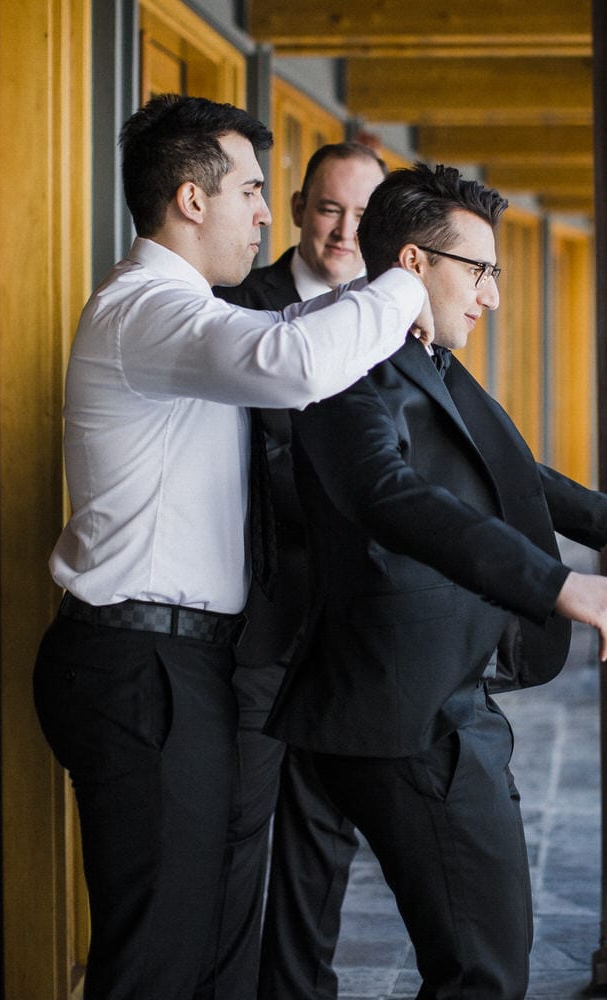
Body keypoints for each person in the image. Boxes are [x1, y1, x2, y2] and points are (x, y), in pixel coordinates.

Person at [30, 95, 433, 1000]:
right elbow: (290, 363)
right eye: (253, 190)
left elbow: (288, 343)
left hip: (183, 665)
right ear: (190, 199)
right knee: (155, 963)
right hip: (142, 667)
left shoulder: (189, 314)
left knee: (211, 944)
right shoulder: (147, 313)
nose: (264, 211)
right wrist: (412, 275)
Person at [266, 163, 607, 999]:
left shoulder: (422, 353)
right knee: (484, 972)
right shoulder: (350, 358)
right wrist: (554, 583)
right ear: (414, 265)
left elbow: (499, 463)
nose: (492, 295)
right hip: (407, 702)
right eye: (480, 270)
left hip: (404, 691)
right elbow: (392, 495)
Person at [211, 142, 388, 998]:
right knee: (238, 838)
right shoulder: (233, 309)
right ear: (294, 209)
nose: (346, 230)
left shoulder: (390, 320)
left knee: (323, 846)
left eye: (364, 215)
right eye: (329, 209)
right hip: (255, 626)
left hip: (344, 632)